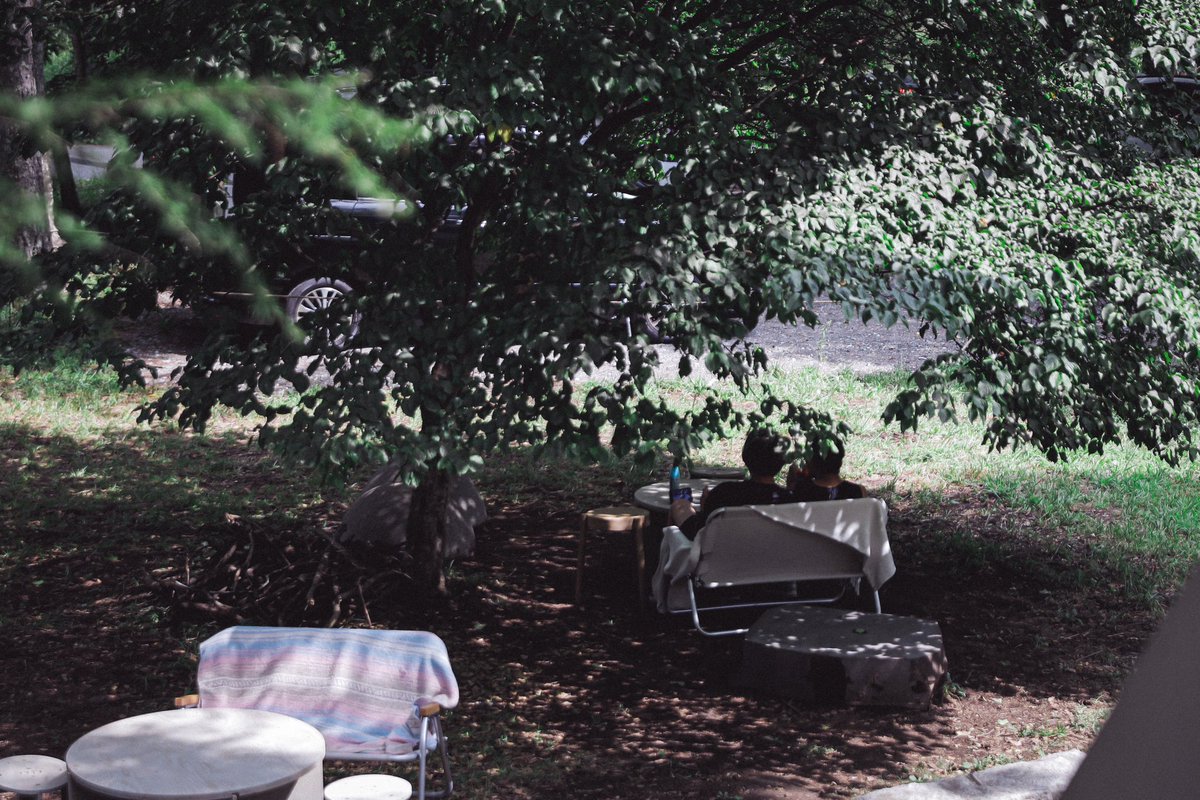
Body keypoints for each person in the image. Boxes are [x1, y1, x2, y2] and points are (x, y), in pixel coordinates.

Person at [670, 429, 800, 538]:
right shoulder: (788, 500)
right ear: (781, 462)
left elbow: (701, 531)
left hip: (720, 559)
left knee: (679, 505)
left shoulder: (725, 492)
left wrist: (705, 508)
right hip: (771, 560)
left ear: (746, 457)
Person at [787, 440, 867, 501]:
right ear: (840, 461)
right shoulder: (859, 492)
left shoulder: (800, 491)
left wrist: (793, 481)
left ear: (812, 462)